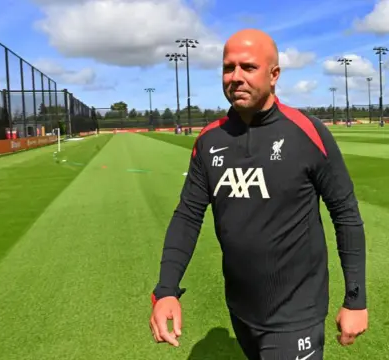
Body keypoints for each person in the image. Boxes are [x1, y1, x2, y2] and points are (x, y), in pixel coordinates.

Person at [149, 28, 368, 359]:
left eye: (248, 67)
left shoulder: (307, 133)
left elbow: (346, 214)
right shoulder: (209, 140)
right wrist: (166, 290)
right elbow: (188, 215)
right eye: (228, 67)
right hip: (241, 309)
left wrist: (355, 298)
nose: (235, 77)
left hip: (296, 314)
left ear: (274, 74)